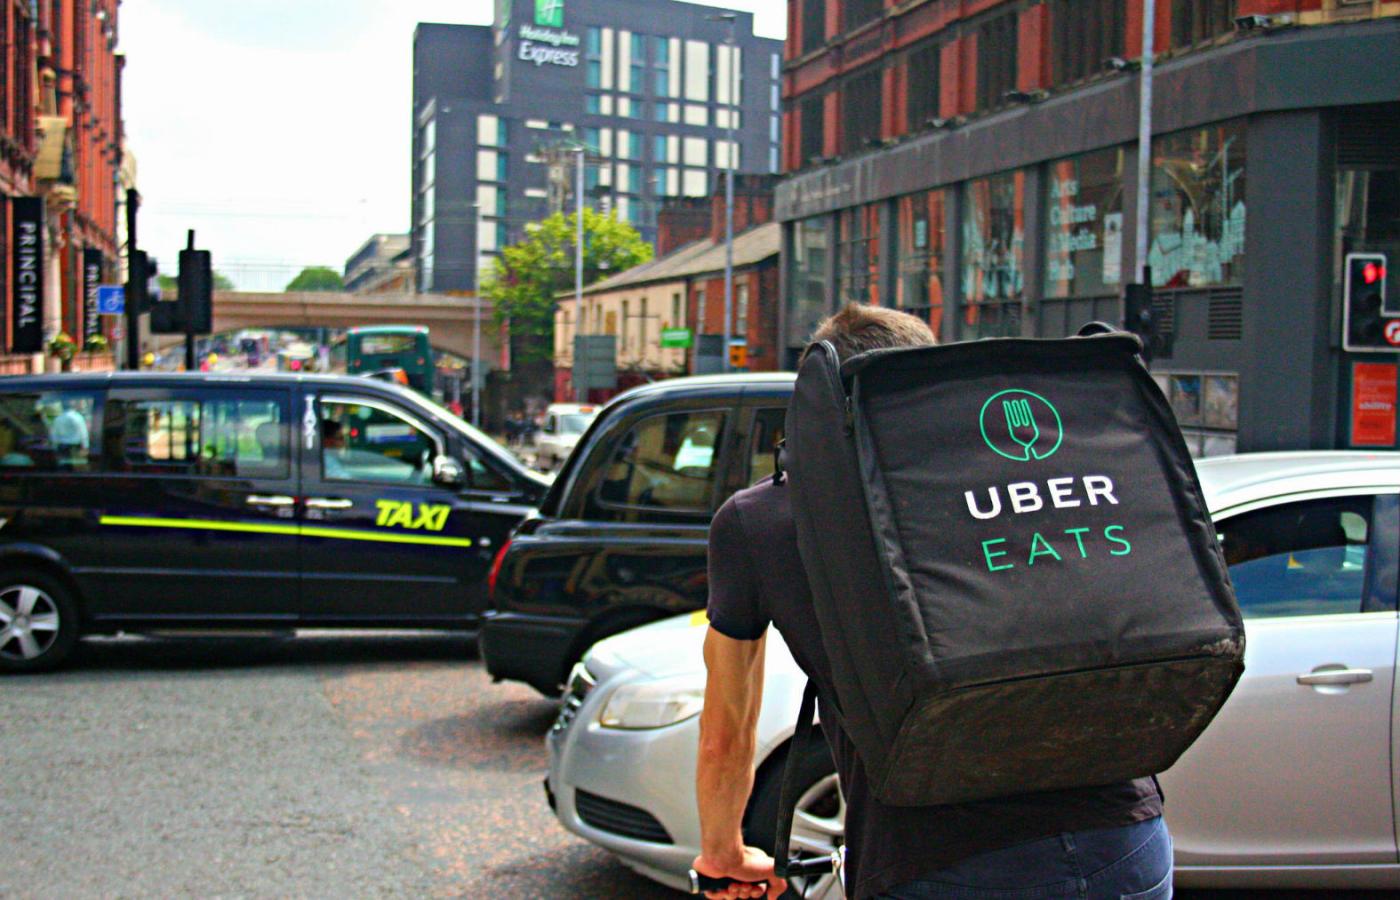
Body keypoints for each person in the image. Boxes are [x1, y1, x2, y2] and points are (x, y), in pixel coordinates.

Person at [693, 304, 1169, 900]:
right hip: (1124, 838)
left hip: (934, 860)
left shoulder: (760, 519)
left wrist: (724, 853)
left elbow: (726, 732)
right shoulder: (1020, 474)